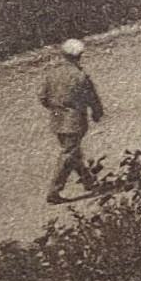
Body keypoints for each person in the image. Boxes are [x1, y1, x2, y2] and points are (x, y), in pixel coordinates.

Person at [40, 38, 103, 204]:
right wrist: (97, 112)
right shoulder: (80, 76)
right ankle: (54, 191)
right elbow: (92, 97)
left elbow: (43, 97)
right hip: (74, 121)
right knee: (69, 154)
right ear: (79, 56)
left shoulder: (52, 74)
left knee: (73, 152)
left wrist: (56, 109)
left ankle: (89, 182)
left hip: (56, 120)